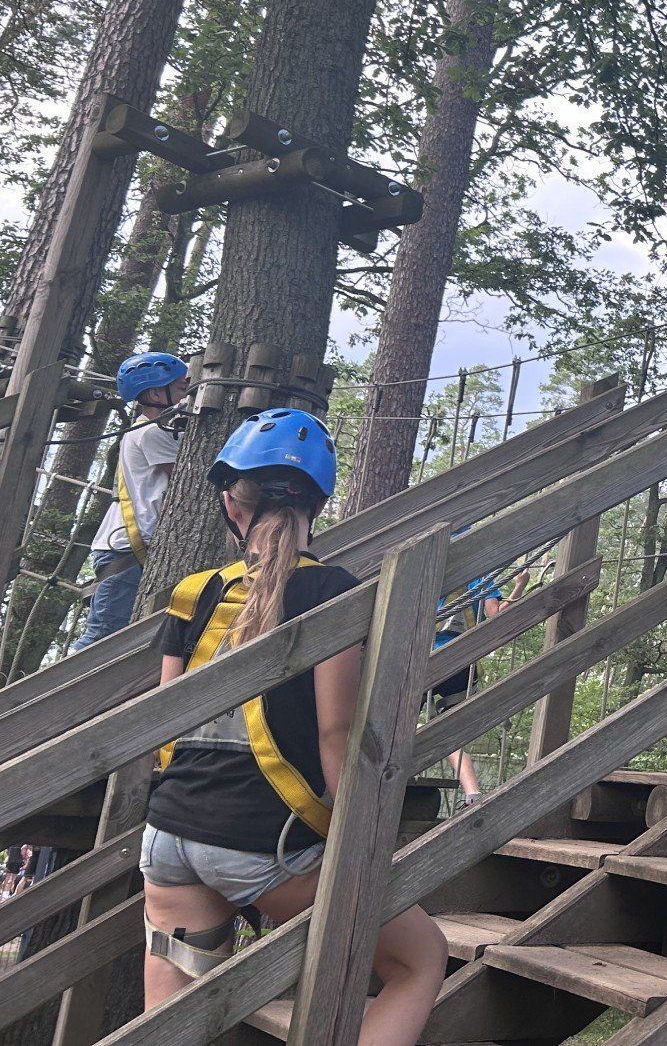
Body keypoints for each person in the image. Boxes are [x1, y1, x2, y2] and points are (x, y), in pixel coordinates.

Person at [140, 409, 445, 1041]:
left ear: (231, 502)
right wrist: (355, 839)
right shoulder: (333, 591)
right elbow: (336, 733)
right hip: (264, 843)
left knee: (173, 1022)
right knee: (418, 961)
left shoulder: (193, 592)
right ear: (317, 505)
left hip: (170, 832)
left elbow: (164, 722)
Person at [73, 352, 190, 649]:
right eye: (181, 388)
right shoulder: (151, 433)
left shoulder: (149, 429)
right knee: (102, 640)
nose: (187, 394)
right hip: (125, 549)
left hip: (126, 549)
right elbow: (188, 477)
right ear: (155, 394)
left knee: (112, 637)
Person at [431, 575, 506, 802]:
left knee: (398, 723)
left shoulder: (431, 575)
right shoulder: (481, 579)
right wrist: (520, 585)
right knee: (450, 734)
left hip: (427, 659)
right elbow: (496, 615)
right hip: (462, 663)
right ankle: (472, 793)